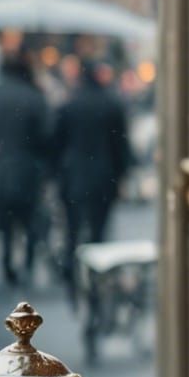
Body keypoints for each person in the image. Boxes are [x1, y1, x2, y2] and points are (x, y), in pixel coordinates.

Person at [53, 61, 133, 294]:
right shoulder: (111, 104)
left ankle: (71, 269)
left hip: (74, 175)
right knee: (99, 229)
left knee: (73, 228)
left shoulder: (69, 105)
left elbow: (57, 144)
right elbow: (120, 146)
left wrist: (58, 173)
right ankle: (95, 277)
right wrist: (121, 175)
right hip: (102, 175)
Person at [0, 49, 51, 285]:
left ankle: (8, 264)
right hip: (29, 169)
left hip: (1, 168)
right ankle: (27, 264)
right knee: (29, 220)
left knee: (6, 222)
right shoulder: (35, 97)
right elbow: (47, 135)